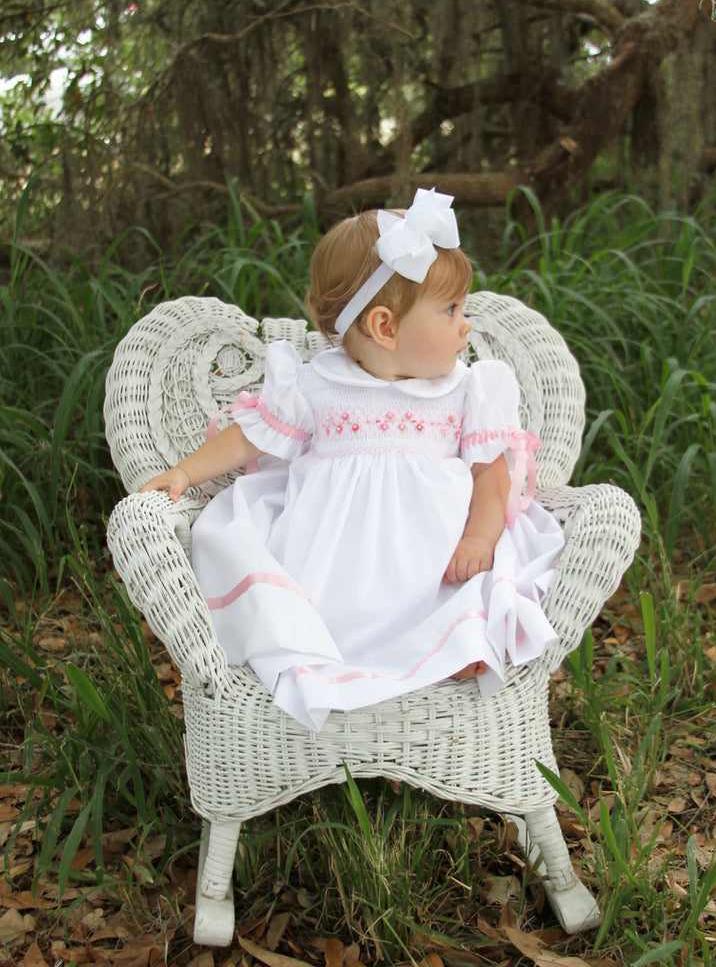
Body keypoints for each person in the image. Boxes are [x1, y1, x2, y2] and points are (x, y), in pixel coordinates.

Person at [139, 188, 564, 731]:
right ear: (385, 327)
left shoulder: (466, 390)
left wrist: (479, 538)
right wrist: (185, 472)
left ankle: (457, 643)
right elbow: (251, 438)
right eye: (452, 309)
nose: (467, 325)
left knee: (477, 579)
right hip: (336, 551)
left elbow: (490, 474)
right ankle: (329, 657)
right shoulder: (316, 385)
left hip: (437, 550)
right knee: (313, 602)